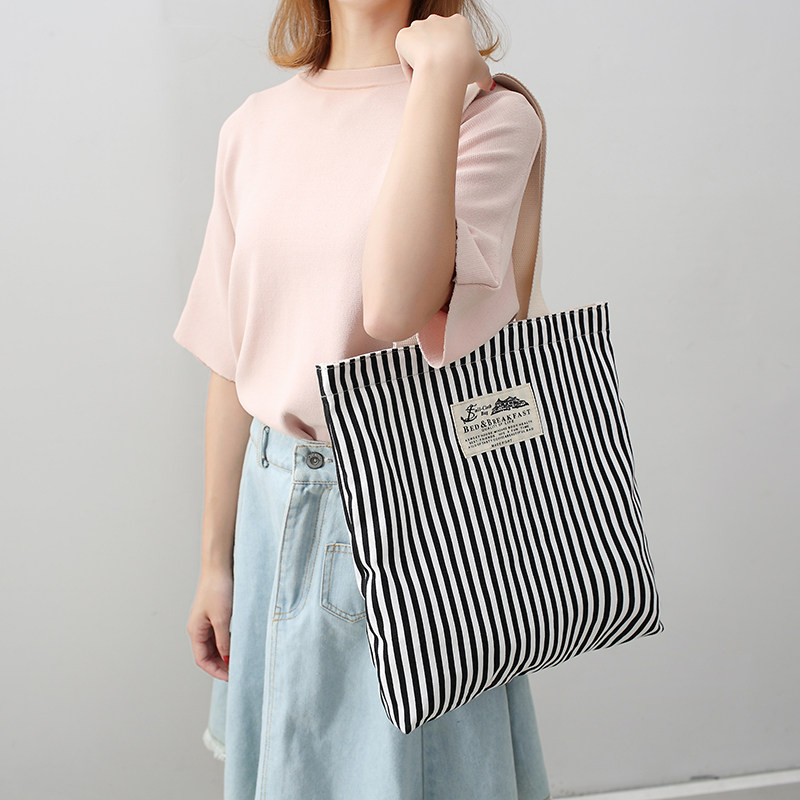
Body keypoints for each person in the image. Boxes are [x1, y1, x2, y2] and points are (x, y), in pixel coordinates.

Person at [173, 1, 551, 798]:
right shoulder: (253, 126)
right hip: (271, 511)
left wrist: (438, 79)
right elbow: (233, 363)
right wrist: (214, 562)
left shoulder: (489, 116)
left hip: (417, 520)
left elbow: (394, 304)